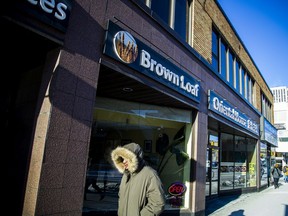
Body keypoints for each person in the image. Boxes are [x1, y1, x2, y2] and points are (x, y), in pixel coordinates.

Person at [111, 142, 165, 216]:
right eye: (122, 158)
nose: (124, 161)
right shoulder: (126, 175)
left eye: (126, 158)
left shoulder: (149, 174)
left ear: (134, 158)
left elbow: (157, 203)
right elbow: (121, 198)